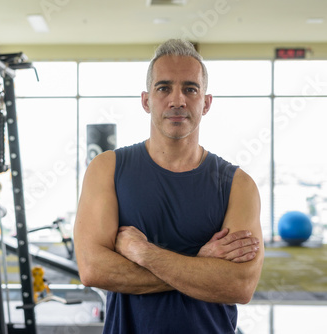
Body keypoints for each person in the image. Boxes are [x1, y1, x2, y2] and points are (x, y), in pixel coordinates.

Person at [73, 39, 264, 334]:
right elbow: (93, 269)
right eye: (164, 88)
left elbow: (239, 285)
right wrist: (199, 265)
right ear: (146, 100)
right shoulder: (107, 168)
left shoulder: (238, 185)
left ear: (206, 102)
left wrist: (144, 253)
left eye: (190, 88)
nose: (178, 100)